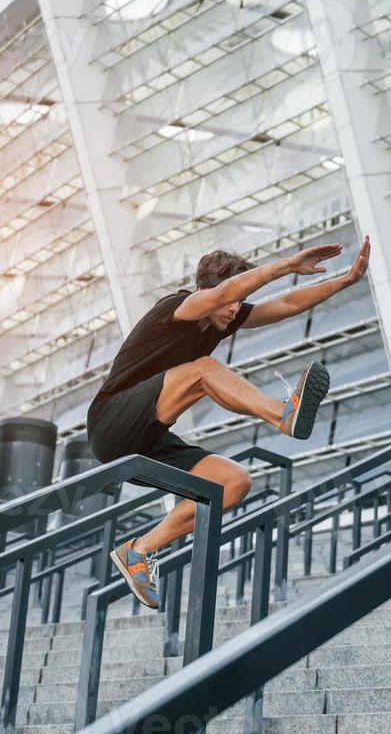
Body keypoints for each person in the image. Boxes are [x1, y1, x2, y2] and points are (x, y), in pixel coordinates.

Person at [87, 236, 372, 607]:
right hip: (112, 421)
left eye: (239, 304)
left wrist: (345, 281)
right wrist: (286, 265)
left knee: (232, 482)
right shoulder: (178, 307)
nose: (235, 310)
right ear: (208, 290)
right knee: (202, 371)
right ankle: (281, 414)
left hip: (147, 436)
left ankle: (139, 551)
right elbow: (227, 293)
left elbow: (284, 304)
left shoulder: (224, 320)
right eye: (230, 300)